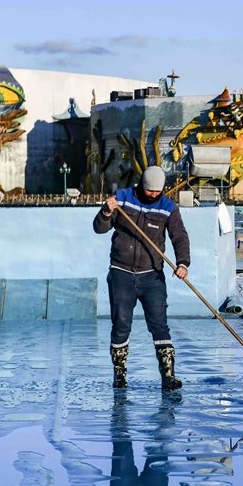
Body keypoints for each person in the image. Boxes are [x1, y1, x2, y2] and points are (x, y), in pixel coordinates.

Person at [93, 166, 190, 390]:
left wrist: (183, 263)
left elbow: (180, 237)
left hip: (152, 276)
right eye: (150, 191)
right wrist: (106, 212)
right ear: (141, 185)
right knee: (121, 325)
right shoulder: (122, 199)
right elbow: (99, 228)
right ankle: (119, 376)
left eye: (158, 191)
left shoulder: (168, 208)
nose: (154, 194)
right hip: (121, 274)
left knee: (159, 325)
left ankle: (168, 376)